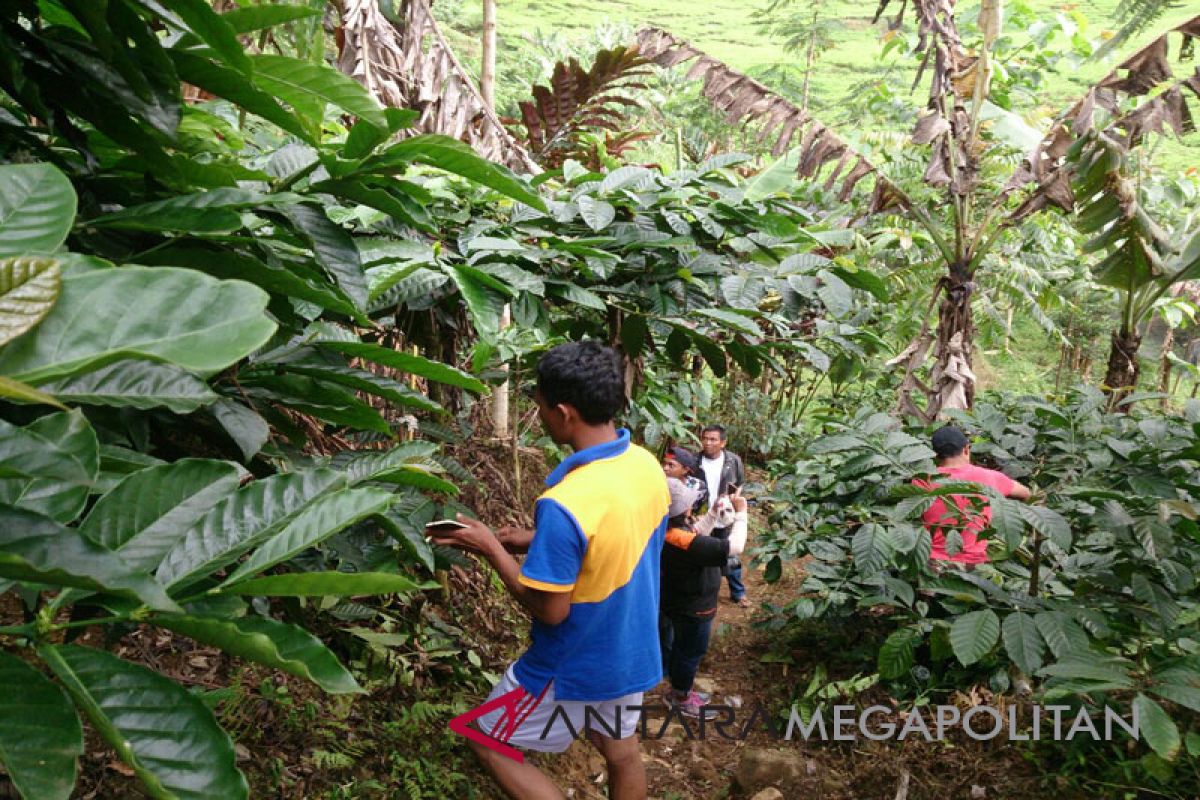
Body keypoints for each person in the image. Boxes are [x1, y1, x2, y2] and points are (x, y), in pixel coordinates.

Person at [430, 341, 668, 800]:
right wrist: (533, 541)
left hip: (571, 661)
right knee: (621, 754)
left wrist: (491, 549)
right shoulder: (642, 464)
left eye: (539, 406)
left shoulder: (564, 503)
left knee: (485, 739)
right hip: (629, 647)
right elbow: (613, 539)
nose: (538, 415)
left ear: (563, 412)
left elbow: (550, 610)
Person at [659, 477, 747, 718]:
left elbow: (695, 534)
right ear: (685, 509)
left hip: (679, 601)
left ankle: (679, 688)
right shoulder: (684, 541)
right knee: (690, 651)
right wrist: (742, 513)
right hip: (694, 607)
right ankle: (680, 697)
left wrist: (712, 513)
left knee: (682, 647)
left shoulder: (670, 532)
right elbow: (735, 546)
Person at [915, 425, 1032, 567]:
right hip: (973, 564)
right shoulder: (990, 477)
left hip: (932, 562)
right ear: (966, 449)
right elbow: (1027, 494)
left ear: (935, 454)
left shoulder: (921, 481)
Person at [698, 424, 748, 606]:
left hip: (725, 517)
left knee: (730, 555)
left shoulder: (733, 461)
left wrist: (734, 500)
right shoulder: (696, 462)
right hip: (703, 518)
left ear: (723, 443)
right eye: (705, 438)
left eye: (713, 439)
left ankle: (738, 592)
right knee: (702, 554)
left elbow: (740, 482)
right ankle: (706, 593)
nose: (708, 443)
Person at [661, 445, 708, 515]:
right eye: (664, 463)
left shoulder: (697, 488)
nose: (665, 468)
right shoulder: (659, 482)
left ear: (685, 470)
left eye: (671, 465)